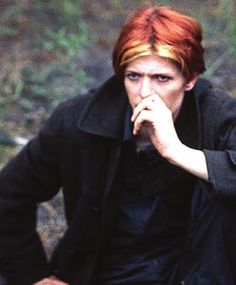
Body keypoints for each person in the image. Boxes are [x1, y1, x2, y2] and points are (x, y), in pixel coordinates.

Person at [0, 5, 236, 285]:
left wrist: (177, 151)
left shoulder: (216, 116)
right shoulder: (79, 119)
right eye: (134, 76)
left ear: (190, 79)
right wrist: (32, 276)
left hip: (191, 273)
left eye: (162, 78)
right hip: (101, 274)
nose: (144, 93)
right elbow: (9, 195)